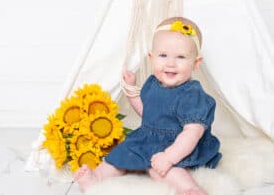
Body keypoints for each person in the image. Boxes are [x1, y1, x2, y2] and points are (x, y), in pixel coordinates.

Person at [75, 16, 222, 195]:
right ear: (151, 58)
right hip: (147, 139)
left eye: (181, 57)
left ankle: (189, 188)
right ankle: (96, 178)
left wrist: (168, 157)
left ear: (196, 63)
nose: (170, 63)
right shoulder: (152, 83)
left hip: (178, 145)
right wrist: (131, 91)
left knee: (166, 171)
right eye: (163, 55)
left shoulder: (192, 95)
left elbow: (192, 133)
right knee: (119, 156)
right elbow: (147, 113)